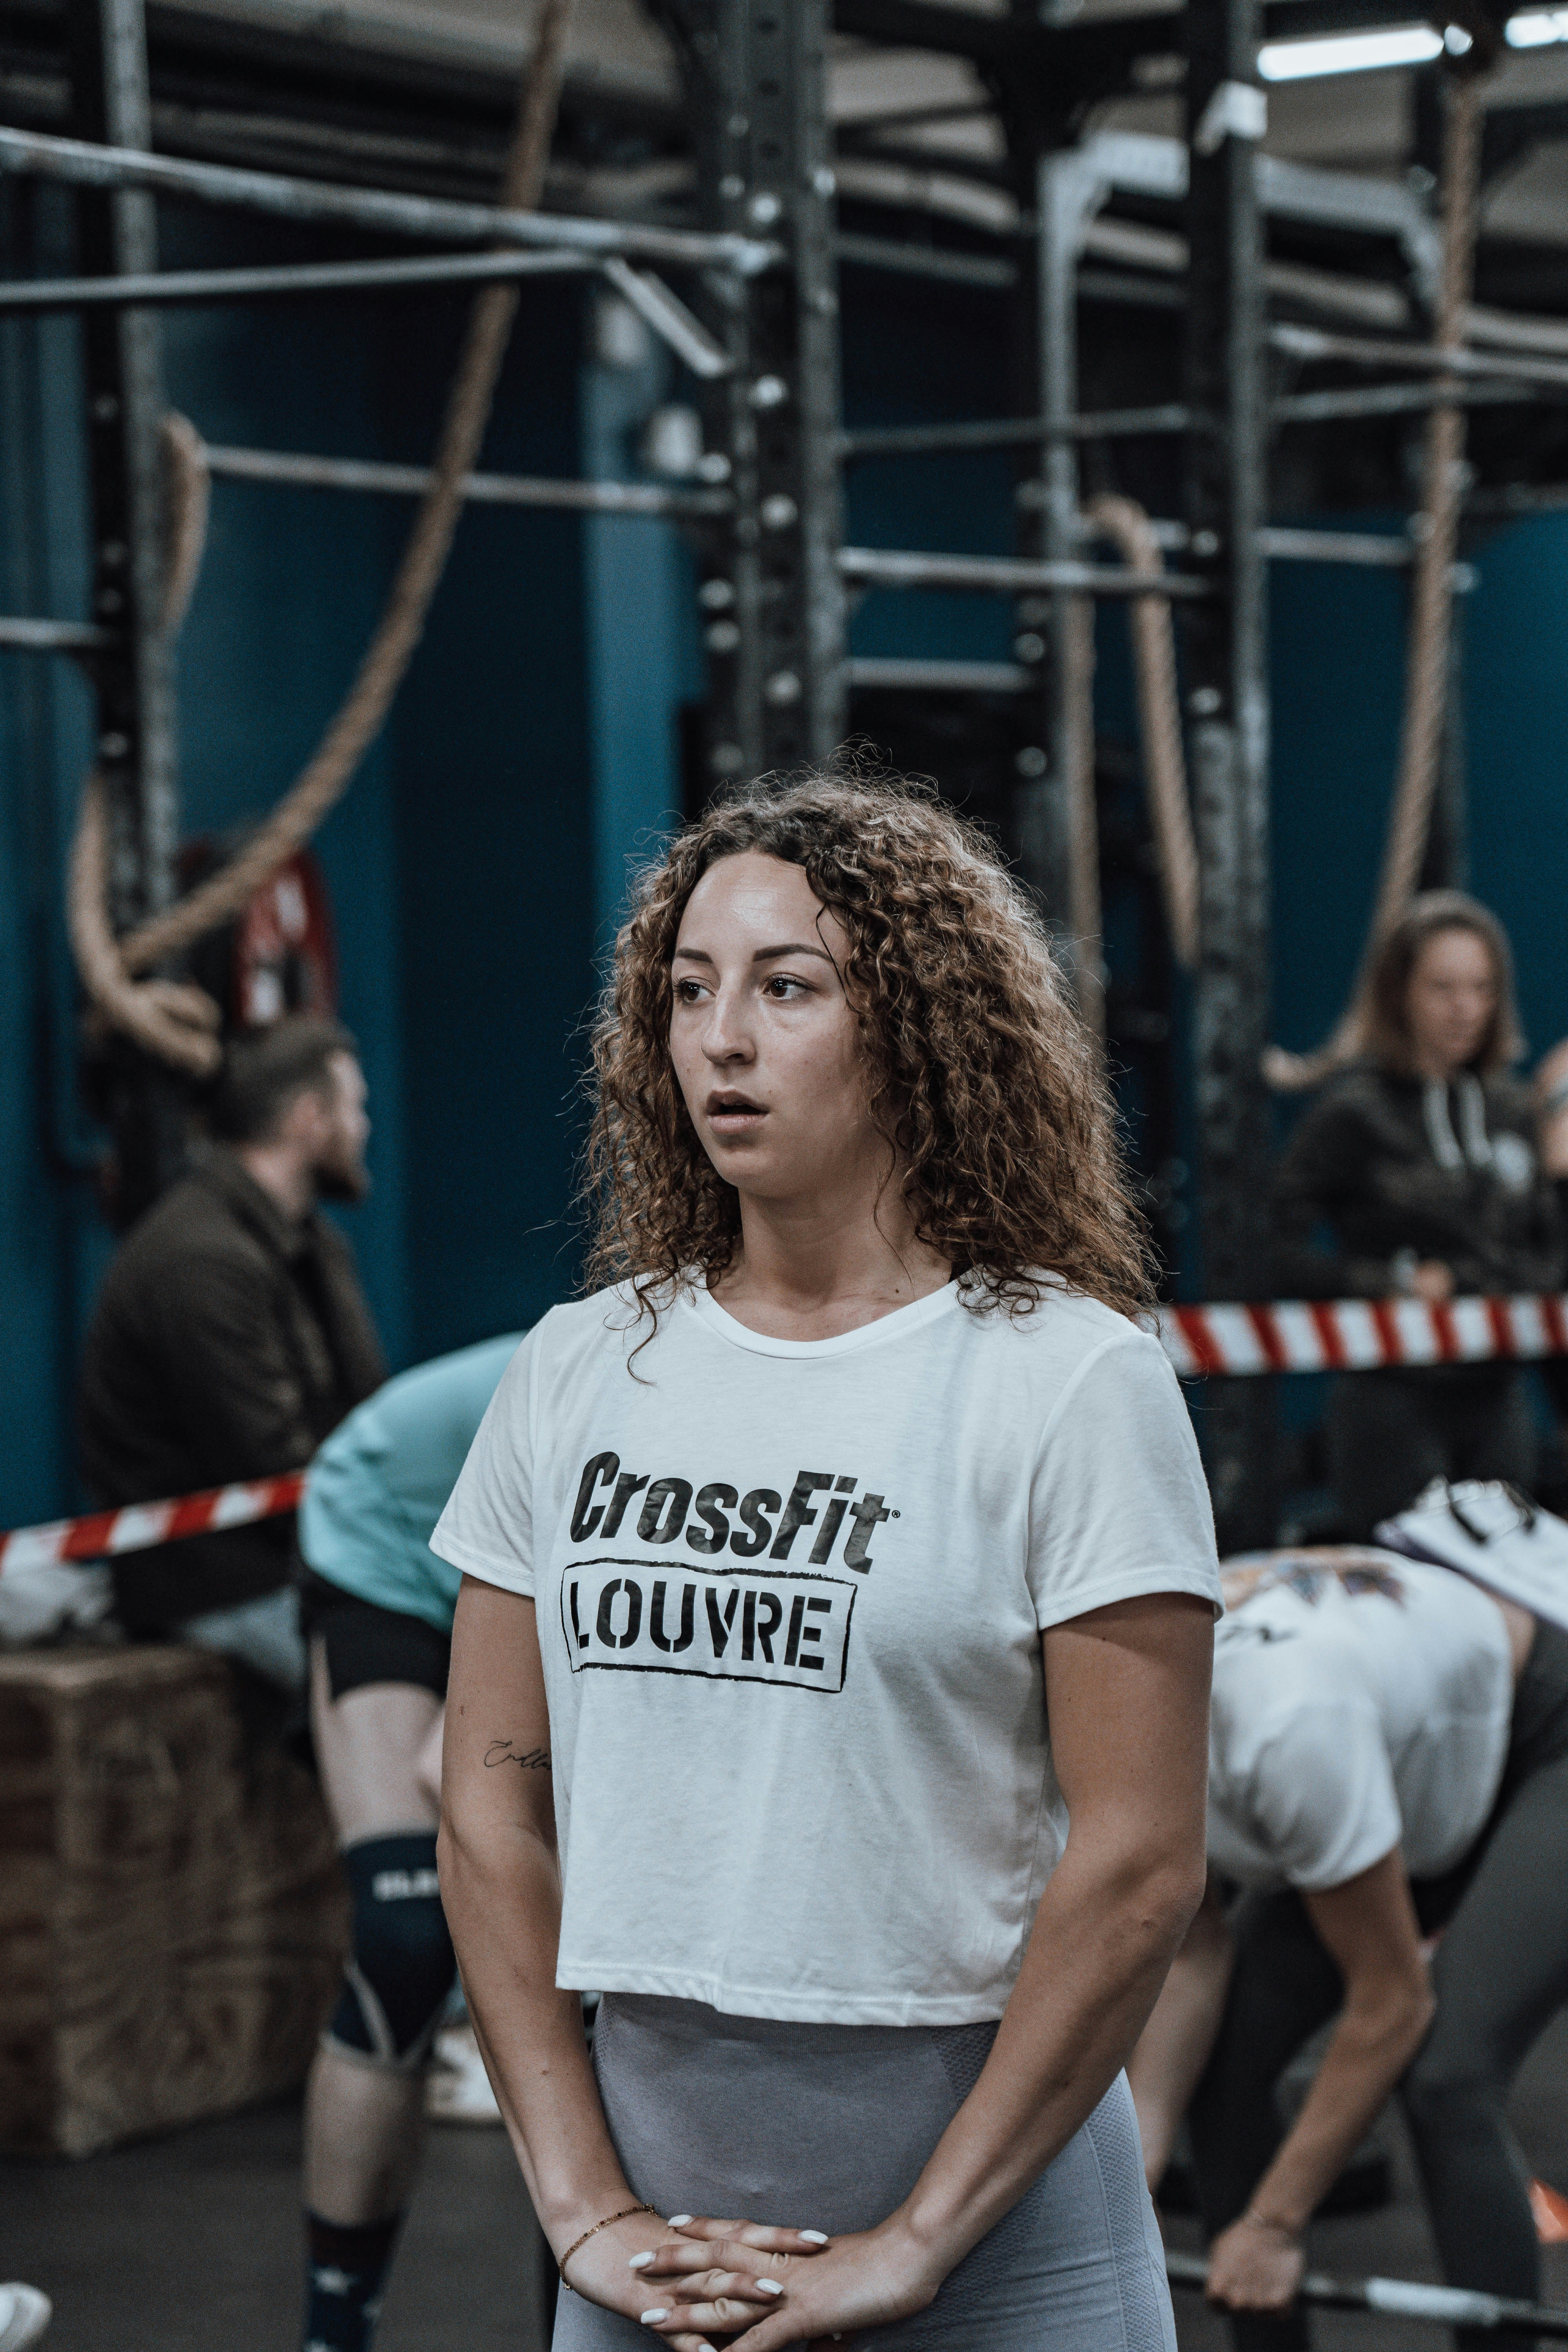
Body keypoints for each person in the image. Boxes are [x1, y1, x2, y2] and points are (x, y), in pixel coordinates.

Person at [431, 770, 1221, 2352]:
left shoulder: (1066, 1378)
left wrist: (916, 2244)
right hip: (658, 2264)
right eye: (689, 992)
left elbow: (1140, 1861)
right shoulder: (582, 1366)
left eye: (787, 989)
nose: (722, 1038)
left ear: (917, 1028)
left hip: (1001, 2259)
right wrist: (581, 2205)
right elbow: (486, 1798)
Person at [1126, 1541, 1568, 2352]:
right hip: (1402, 1762)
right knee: (1222, 2067)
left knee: (1446, 2074)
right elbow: (1192, 1954)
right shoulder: (1096, 1743)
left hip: (1540, 1734)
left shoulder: (1285, 1731)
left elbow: (1391, 2002)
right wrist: (1133, 2180)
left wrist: (1273, 2221)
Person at [294, 1331, 523, 2352]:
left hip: (512, 1571)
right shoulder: (623, 1377)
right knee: (405, 1938)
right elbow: (446, 1771)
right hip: (385, 1544)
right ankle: (331, 2335)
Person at [78, 1016, 385, 1687]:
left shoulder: (312, 1243)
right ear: (310, 1118)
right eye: (354, 1106)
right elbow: (268, 1464)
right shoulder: (199, 1260)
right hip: (221, 1583)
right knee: (408, 1677)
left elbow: (369, 1416)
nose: (364, 1127)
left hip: (305, 1561)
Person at [1273, 893, 1563, 1539]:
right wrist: (1388, 1282)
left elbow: (1547, 1255)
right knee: (1412, 1599)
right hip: (1393, 1397)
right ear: (1399, 991)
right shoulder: (1352, 1115)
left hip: (1498, 1395)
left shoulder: (1515, 1110)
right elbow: (1270, 1250)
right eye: (1443, 988)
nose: (1465, 1009)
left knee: (1514, 1596)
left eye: (1481, 988)